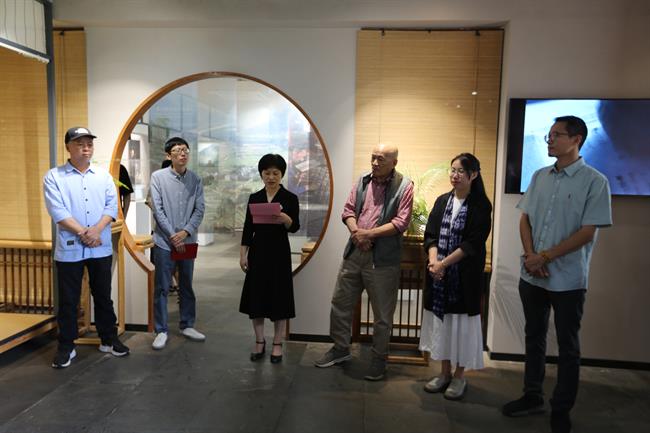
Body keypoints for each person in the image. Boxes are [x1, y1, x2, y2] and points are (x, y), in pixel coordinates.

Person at [502, 116, 612, 433]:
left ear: (576, 139)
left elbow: (587, 232)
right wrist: (531, 256)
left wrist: (545, 256)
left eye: (556, 135)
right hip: (532, 275)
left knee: (568, 347)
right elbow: (525, 219)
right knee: (534, 337)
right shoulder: (539, 176)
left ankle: (561, 409)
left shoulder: (595, 181)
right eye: (548, 135)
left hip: (568, 280)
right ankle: (532, 396)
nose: (549, 140)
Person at [314, 143, 413, 381]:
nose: (375, 163)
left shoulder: (404, 186)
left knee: (382, 314)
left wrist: (369, 234)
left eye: (381, 159)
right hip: (355, 252)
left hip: (383, 259)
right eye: (373, 158)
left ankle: (379, 359)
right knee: (340, 302)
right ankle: (340, 348)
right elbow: (348, 211)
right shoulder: (362, 181)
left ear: (394, 162)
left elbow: (401, 222)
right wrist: (358, 233)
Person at [43, 126, 130, 368]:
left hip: (99, 246)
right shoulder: (54, 176)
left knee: (102, 295)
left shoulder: (103, 176)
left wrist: (96, 230)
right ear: (68, 147)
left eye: (89, 144)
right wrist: (84, 232)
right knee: (69, 300)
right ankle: (66, 346)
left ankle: (109, 339)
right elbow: (57, 211)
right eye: (79, 143)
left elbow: (111, 207)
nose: (86, 148)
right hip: (70, 248)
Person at [418, 153, 492, 400]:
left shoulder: (481, 205)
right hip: (439, 277)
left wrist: (443, 264)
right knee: (445, 325)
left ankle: (459, 376)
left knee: (461, 327)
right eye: (452, 170)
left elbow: (472, 243)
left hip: (464, 279)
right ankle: (444, 373)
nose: (455, 175)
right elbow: (430, 235)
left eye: (461, 171)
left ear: (474, 175)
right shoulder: (442, 201)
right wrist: (434, 262)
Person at [239, 154, 300, 364]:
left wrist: (285, 219)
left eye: (275, 173)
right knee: (257, 297)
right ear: (261, 174)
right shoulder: (255, 197)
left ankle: (277, 343)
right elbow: (248, 228)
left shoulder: (290, 198)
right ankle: (259, 341)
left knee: (279, 297)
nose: (271, 177)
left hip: (279, 252)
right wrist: (243, 254)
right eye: (267, 173)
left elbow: (295, 227)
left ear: (282, 174)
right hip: (258, 252)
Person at [149, 137, 206, 350]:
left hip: (187, 241)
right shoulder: (158, 177)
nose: (182, 154)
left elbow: (200, 209)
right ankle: (161, 330)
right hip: (165, 241)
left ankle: (187, 324)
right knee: (162, 287)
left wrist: (185, 232)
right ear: (168, 155)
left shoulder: (195, 179)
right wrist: (173, 235)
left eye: (185, 150)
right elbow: (157, 209)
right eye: (177, 150)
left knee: (186, 284)